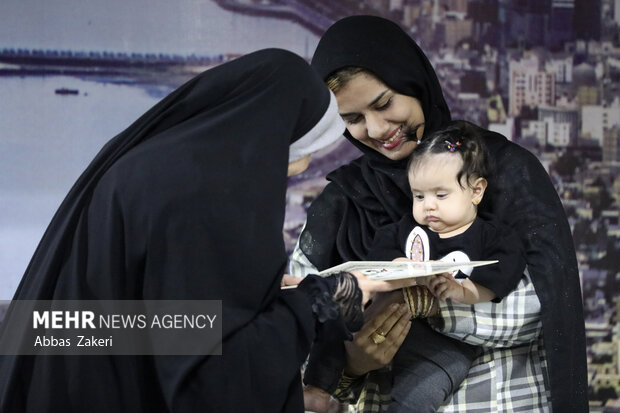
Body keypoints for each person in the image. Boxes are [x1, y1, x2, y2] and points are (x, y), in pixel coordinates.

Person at [0, 48, 416, 413]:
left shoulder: (159, 171)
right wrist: (319, 302)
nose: (301, 168)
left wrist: (264, 300)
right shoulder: (202, 200)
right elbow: (214, 380)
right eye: (301, 151)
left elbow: (147, 327)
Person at [291, 15, 587, 413]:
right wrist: (352, 363)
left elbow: (546, 306)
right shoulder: (342, 201)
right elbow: (299, 330)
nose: (377, 129)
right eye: (353, 119)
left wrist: (424, 305)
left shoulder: (503, 172)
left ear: (412, 80)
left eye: (384, 103)